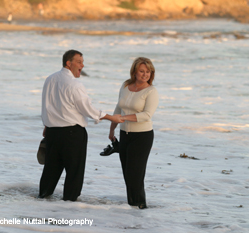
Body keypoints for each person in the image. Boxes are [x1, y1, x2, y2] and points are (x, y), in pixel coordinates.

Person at [39, 49, 123, 201]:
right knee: (74, 172)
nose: (82, 65)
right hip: (72, 134)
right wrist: (112, 118)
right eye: (79, 62)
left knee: (50, 170)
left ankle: (42, 201)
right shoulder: (75, 84)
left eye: (83, 62)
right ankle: (69, 206)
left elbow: (48, 105)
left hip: (52, 133)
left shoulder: (49, 79)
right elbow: (88, 109)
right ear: (68, 63)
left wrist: (47, 124)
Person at [108, 57, 159, 209]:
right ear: (134, 72)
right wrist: (112, 129)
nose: (145, 75)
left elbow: (147, 115)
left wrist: (122, 118)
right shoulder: (125, 85)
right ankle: (132, 207)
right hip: (124, 135)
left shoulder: (151, 91)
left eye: (148, 72)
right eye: (142, 71)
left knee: (135, 175)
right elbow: (118, 108)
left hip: (142, 136)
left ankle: (141, 207)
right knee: (127, 174)